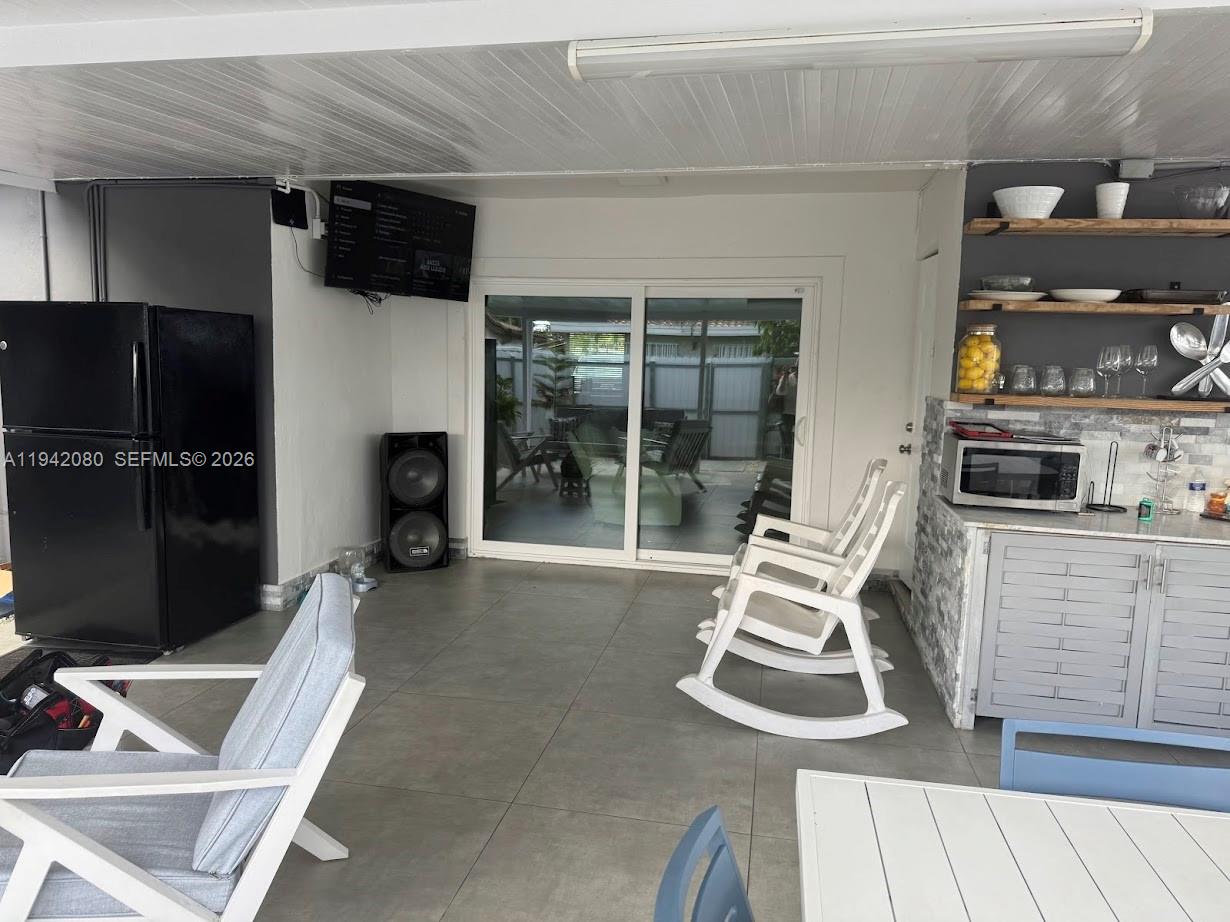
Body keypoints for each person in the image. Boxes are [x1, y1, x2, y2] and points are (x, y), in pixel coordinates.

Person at [775, 364, 798, 458]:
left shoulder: (810, 377)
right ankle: (789, 457)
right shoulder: (789, 378)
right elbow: (780, 392)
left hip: (802, 412)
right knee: (788, 439)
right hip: (788, 413)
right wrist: (784, 377)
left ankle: (794, 456)